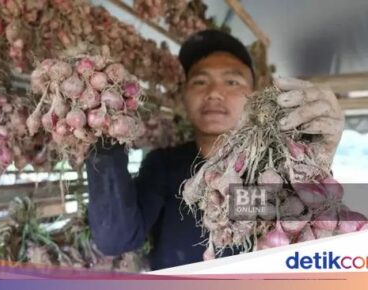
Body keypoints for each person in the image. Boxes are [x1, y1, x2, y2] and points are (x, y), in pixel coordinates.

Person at [85, 29, 344, 271]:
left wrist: (317, 163)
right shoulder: (163, 165)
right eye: (199, 82)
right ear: (184, 96)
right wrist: (104, 132)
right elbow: (116, 240)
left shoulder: (275, 168)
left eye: (232, 81)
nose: (214, 93)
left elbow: (309, 231)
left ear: (255, 96)